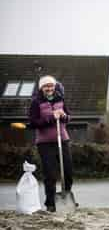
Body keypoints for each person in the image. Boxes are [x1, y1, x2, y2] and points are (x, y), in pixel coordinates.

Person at [28, 75, 73, 213]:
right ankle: (51, 203)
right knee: (50, 174)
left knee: (68, 171)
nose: (49, 88)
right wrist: (51, 117)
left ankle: (66, 198)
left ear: (54, 86)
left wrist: (64, 116)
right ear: (41, 88)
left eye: (51, 85)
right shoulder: (36, 102)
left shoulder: (60, 98)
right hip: (45, 143)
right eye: (46, 86)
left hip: (63, 139)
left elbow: (68, 116)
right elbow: (33, 122)